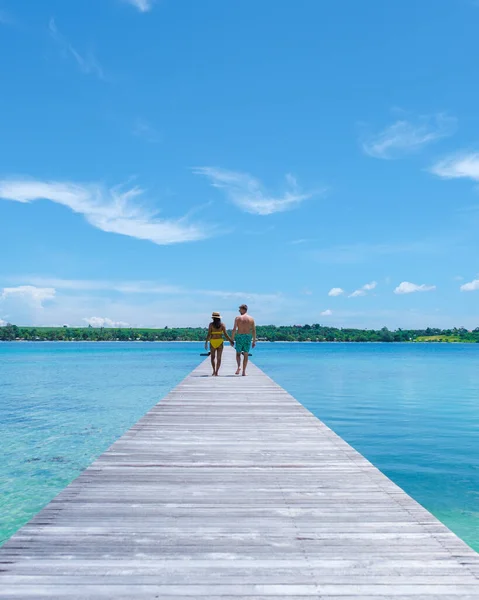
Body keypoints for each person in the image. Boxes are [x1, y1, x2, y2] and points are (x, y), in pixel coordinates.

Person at [204, 312, 234, 376]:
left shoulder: (211, 325)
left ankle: (214, 371)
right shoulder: (222, 325)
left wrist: (206, 342)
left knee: (212, 357)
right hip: (220, 341)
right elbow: (226, 334)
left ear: (213, 318)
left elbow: (209, 334)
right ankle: (217, 371)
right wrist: (230, 341)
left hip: (213, 341)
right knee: (219, 358)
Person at [232, 304, 256, 376]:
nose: (239, 311)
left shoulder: (237, 318)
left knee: (238, 353)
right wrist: (254, 340)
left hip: (239, 336)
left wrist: (232, 339)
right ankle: (244, 372)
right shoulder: (251, 319)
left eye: (240, 309)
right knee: (246, 354)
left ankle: (239, 367)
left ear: (244, 309)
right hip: (248, 337)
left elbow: (234, 329)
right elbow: (254, 330)